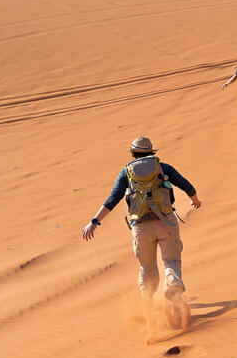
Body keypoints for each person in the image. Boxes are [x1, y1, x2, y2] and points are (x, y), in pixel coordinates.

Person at [81, 136, 201, 331]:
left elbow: (112, 199)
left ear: (134, 153)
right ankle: (173, 284)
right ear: (150, 152)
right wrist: (194, 199)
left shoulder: (126, 173)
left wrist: (94, 222)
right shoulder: (163, 168)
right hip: (166, 223)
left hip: (141, 228)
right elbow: (187, 185)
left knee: (147, 267)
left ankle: (148, 303)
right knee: (171, 261)